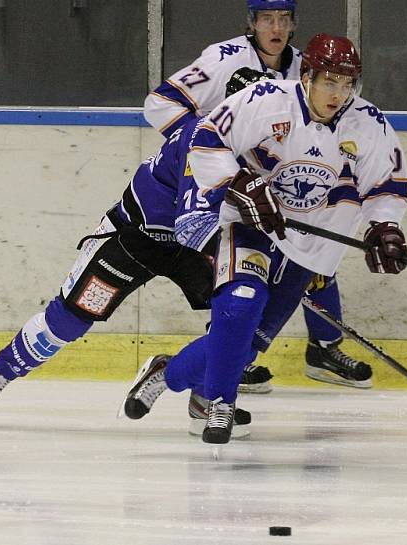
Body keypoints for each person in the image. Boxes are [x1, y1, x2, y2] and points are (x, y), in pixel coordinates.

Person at [121, 33, 407, 445]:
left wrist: (385, 227)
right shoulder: (265, 99)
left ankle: (167, 374)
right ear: (307, 75)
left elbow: (385, 184)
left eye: (347, 85)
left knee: (251, 344)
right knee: (240, 307)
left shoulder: (369, 123)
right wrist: (237, 183)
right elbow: (206, 139)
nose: (339, 94)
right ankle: (220, 404)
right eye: (330, 82)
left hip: (311, 245)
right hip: (253, 222)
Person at [0, 77, 253, 437]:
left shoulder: (269, 144)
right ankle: (1, 370)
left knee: (237, 316)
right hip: (136, 236)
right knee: (69, 319)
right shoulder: (204, 138)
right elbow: (191, 221)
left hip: (197, 243)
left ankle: (203, 397)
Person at [145, 0, 373, 395]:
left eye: (284, 19)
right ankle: (226, 359)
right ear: (252, 22)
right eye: (267, 19)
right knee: (236, 271)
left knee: (314, 256)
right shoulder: (224, 57)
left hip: (277, 182)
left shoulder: (308, 66)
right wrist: (214, 148)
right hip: (225, 183)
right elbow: (160, 105)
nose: (276, 27)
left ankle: (322, 348)